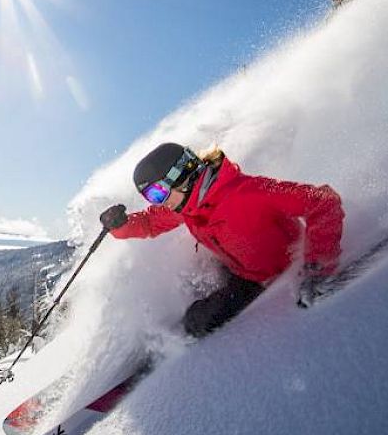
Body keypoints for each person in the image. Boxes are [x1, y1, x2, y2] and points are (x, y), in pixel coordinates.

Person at [100, 143, 344, 337]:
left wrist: (318, 265)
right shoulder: (185, 206)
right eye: (151, 197)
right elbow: (150, 223)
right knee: (191, 287)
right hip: (238, 268)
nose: (159, 202)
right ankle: (173, 330)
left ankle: (180, 339)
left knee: (202, 320)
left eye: (158, 192)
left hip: (267, 275)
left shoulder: (248, 192)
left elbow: (322, 201)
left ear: (181, 174)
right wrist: (120, 226)